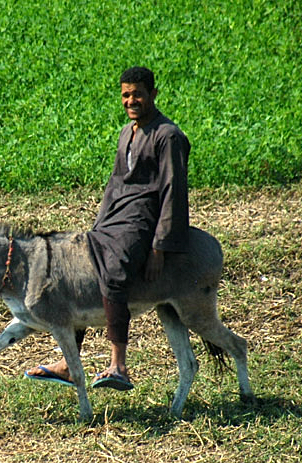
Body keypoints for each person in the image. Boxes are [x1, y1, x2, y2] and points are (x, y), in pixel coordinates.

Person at [25, 66, 190, 390]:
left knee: (112, 271)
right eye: (126, 95)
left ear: (153, 94)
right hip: (113, 220)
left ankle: (119, 365)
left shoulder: (168, 135)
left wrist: (160, 246)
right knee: (82, 270)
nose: (132, 100)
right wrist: (97, 227)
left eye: (138, 94)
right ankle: (69, 364)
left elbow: (173, 190)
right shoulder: (126, 132)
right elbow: (114, 185)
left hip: (142, 221)